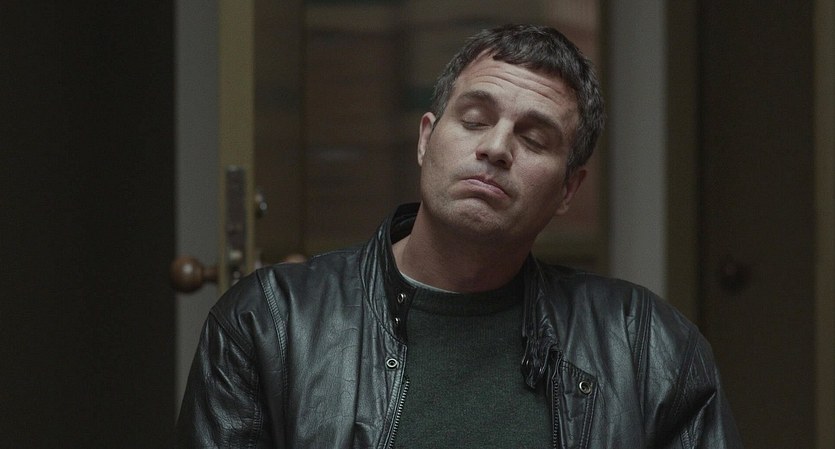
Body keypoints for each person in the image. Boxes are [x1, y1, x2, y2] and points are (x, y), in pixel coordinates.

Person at [176, 24, 742, 448]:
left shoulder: (647, 347)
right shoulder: (269, 323)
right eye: (474, 119)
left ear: (568, 190)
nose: (495, 148)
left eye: (534, 139)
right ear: (427, 139)